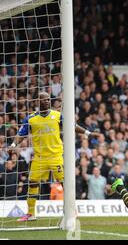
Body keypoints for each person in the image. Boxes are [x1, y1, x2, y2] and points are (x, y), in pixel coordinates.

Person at [10, 92, 100, 222]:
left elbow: (72, 126)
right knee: (32, 182)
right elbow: (21, 134)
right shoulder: (31, 118)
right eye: (44, 99)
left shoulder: (57, 115)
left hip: (55, 156)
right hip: (39, 158)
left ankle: (72, 211)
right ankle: (31, 213)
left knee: (65, 183)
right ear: (38, 101)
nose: (47, 101)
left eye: (48, 99)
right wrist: (13, 144)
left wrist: (88, 132)